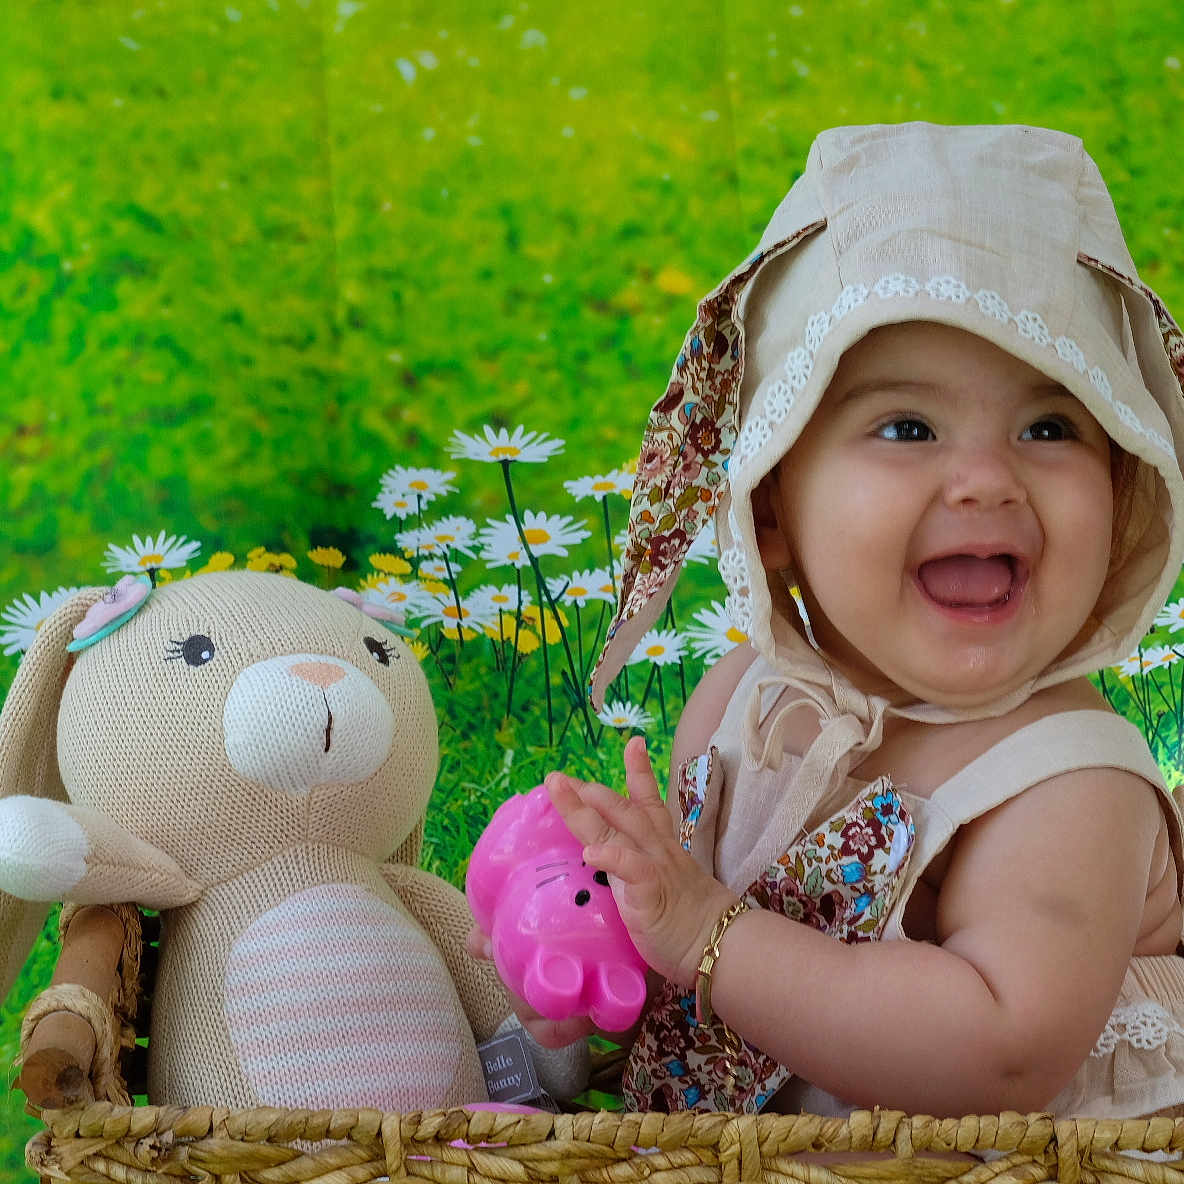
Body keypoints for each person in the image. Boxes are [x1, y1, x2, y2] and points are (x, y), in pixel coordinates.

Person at [473, 123, 1184, 1120]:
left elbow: (999, 1053)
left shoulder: (1071, 782)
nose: (986, 479)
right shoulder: (742, 703)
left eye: (1049, 425)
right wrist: (603, 952)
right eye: (907, 427)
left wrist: (707, 931)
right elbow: (713, 1002)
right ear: (770, 510)